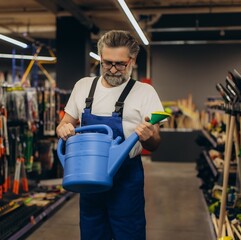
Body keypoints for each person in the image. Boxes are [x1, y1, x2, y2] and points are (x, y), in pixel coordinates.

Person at [56, 30, 164, 240]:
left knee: (129, 233)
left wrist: (147, 135)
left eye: (120, 64)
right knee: (91, 233)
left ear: (132, 60)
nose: (113, 70)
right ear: (100, 59)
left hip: (126, 179)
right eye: (107, 63)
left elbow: (156, 142)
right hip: (88, 176)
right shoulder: (83, 87)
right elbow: (65, 123)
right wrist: (63, 129)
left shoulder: (145, 92)